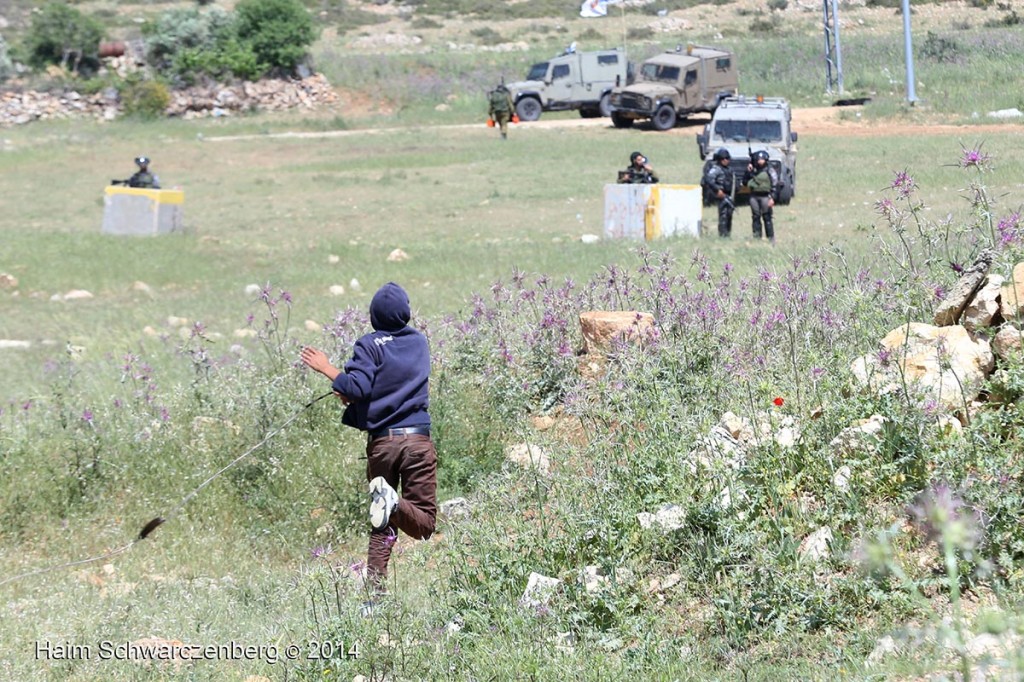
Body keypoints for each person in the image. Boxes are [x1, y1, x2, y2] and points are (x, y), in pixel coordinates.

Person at [300, 282, 437, 602]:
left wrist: (328, 369)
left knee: (382, 524)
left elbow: (361, 388)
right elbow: (395, 385)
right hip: (416, 440)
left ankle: (374, 599)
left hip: (383, 445)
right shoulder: (419, 343)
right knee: (425, 525)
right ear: (406, 312)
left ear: (373, 316)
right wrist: (351, 392)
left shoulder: (369, 344)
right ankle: (392, 503)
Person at [743, 149, 780, 243]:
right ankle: (757, 236)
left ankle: (770, 237)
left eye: (762, 159)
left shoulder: (770, 170)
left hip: (765, 196)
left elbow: (775, 184)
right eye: (759, 159)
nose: (760, 161)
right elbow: (744, 182)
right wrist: (748, 172)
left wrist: (773, 197)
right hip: (754, 196)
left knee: (767, 217)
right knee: (755, 217)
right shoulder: (753, 170)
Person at [704, 148, 735, 237]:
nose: (725, 161)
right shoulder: (716, 169)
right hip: (721, 195)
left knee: (729, 215)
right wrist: (717, 190)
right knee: (723, 216)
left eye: (727, 158)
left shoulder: (729, 169)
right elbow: (708, 179)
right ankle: (722, 235)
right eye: (723, 159)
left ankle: (728, 234)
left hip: (729, 195)